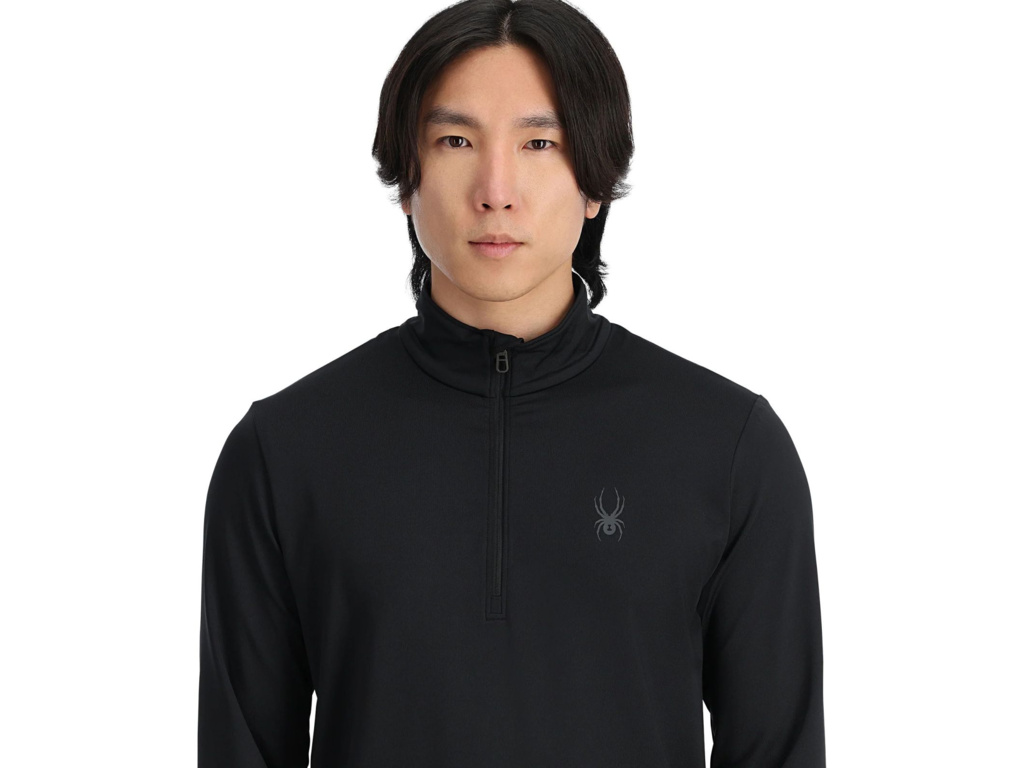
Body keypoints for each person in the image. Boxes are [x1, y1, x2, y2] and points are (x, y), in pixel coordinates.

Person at [197, 0, 826, 765]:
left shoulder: (728, 449)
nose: (496, 189)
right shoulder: (283, 453)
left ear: (595, 182)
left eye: (539, 142)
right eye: (457, 140)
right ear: (406, 178)